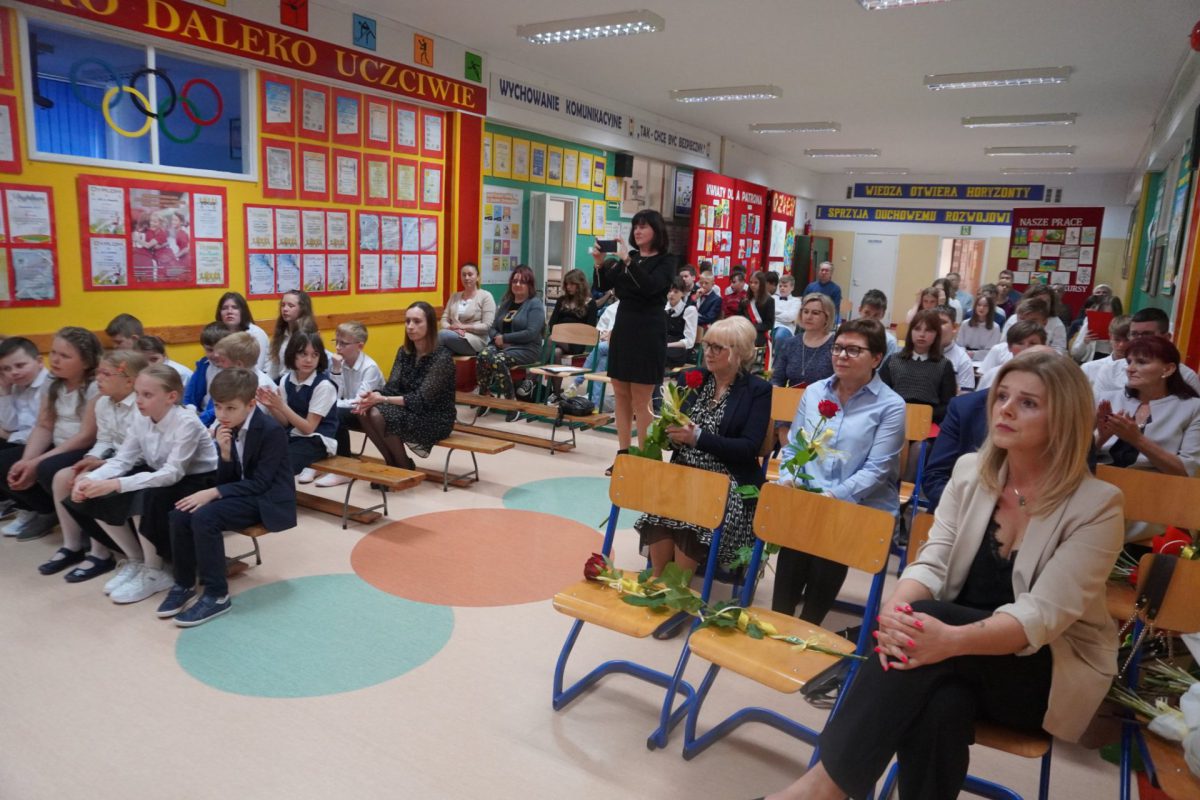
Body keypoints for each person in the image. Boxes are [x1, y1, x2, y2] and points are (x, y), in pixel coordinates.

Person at [769, 351, 1124, 800]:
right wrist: (894, 611)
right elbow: (933, 559)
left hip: (1041, 668)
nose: (1005, 410)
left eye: (1028, 403)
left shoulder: (1097, 505)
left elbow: (1041, 616)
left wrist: (947, 639)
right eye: (1002, 396)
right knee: (941, 702)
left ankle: (819, 789)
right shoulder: (972, 471)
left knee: (927, 625)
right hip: (948, 655)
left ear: (1065, 419)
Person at [772, 318, 905, 624]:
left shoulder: (890, 405)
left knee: (829, 536)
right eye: (838, 348)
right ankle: (779, 620)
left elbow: (876, 470)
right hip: (809, 496)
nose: (842, 355)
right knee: (794, 538)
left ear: (876, 358)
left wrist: (831, 498)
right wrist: (789, 480)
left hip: (857, 504)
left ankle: (808, 625)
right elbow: (794, 447)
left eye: (853, 350)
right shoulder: (815, 392)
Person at [66, 365, 217, 605]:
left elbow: (173, 473)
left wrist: (116, 484)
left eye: (147, 395)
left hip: (198, 480)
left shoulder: (186, 422)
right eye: (137, 393)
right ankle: (135, 559)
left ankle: (155, 570)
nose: (139, 400)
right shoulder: (141, 417)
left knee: (144, 497)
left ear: (171, 397)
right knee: (95, 493)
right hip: (162, 474)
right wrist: (90, 479)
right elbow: (123, 460)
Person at [633, 317, 770, 575]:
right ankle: (660, 581)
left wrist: (698, 438)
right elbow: (672, 434)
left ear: (739, 352)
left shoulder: (758, 390)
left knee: (694, 513)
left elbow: (748, 449)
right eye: (707, 345)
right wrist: (671, 436)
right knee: (661, 506)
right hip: (684, 471)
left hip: (728, 480)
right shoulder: (692, 378)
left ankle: (678, 587)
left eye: (717, 347)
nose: (708, 352)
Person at [161, 368, 297, 627]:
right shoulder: (228, 427)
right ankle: (184, 583)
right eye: (218, 407)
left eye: (230, 408)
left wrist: (213, 493)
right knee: (179, 513)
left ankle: (217, 595)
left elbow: (260, 483)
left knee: (205, 517)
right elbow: (228, 480)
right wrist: (224, 455)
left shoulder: (270, 431)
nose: (222, 414)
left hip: (268, 499)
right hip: (243, 492)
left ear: (251, 404)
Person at [40, 350, 147, 580]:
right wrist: (91, 458)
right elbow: (105, 440)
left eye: (106, 374)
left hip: (138, 462)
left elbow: (141, 452)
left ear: (129, 381)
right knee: (62, 478)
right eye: (98, 372)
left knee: (88, 485)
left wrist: (101, 465)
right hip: (115, 459)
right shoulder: (103, 403)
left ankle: (103, 552)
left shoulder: (141, 406)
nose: (98, 378)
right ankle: (72, 545)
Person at [593, 209, 676, 474]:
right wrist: (599, 263)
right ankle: (623, 453)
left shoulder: (666, 261)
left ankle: (645, 456)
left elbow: (650, 287)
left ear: (656, 231)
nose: (638, 231)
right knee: (620, 392)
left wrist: (628, 261)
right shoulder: (632, 258)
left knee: (641, 398)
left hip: (648, 329)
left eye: (644, 226)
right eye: (636, 226)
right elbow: (605, 285)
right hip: (625, 327)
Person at [1095, 336, 1200, 543]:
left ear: (1168, 369)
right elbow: (1077, 458)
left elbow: (1186, 472)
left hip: (1154, 499)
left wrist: (1138, 440)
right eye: (1129, 362)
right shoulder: (1107, 398)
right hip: (1100, 489)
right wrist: (1100, 438)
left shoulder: (1192, 408)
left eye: (1141, 362)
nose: (1130, 369)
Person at [0, 327, 101, 540]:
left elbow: (86, 436)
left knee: (46, 468)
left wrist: (36, 462)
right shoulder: (52, 380)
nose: (54, 359)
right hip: (59, 442)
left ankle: (82, 525)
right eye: (54, 352)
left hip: (85, 447)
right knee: (9, 464)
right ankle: (46, 510)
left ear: (85, 362)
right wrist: (26, 461)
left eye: (64, 355)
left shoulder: (94, 386)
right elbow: (44, 425)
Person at [357, 302, 456, 470]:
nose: (410, 326)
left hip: (434, 417)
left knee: (377, 414)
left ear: (430, 325)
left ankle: (403, 466)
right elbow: (392, 387)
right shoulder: (404, 352)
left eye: (417, 321)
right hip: (409, 409)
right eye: (407, 321)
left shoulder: (442, 358)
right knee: (364, 410)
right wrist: (374, 395)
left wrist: (382, 399)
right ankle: (392, 464)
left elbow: (421, 400)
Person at [256, 331, 338, 478]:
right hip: (294, 435)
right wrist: (272, 406)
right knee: (260, 455)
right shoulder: (286, 380)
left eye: (315, 355)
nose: (309, 360)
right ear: (292, 354)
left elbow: (309, 428)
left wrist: (281, 406)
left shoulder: (324, 386)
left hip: (317, 440)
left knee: (279, 467)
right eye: (303, 354)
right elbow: (285, 422)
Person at [476, 265, 546, 419]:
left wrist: (506, 338)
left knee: (498, 360)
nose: (517, 284)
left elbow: (531, 332)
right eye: (515, 281)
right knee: (483, 356)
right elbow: (492, 327)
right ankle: (485, 397)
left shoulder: (535, 304)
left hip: (527, 348)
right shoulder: (506, 303)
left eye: (522, 282)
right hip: (501, 345)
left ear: (529, 285)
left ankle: (511, 403)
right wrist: (498, 338)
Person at [771, 293, 836, 445]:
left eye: (815, 313)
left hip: (824, 411)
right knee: (784, 425)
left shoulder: (835, 345)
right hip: (792, 408)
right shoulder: (791, 343)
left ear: (827, 317)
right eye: (805, 311)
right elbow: (777, 378)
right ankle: (788, 455)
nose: (808, 316)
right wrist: (777, 391)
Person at [325, 321, 384, 481]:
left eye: (343, 344)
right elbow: (334, 394)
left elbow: (359, 402)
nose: (338, 348)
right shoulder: (339, 363)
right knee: (325, 411)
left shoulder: (369, 368)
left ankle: (344, 468)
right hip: (348, 409)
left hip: (368, 414)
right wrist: (336, 370)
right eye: (336, 342)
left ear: (360, 346)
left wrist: (330, 404)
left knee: (334, 414)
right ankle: (325, 458)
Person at [879, 309, 957, 423]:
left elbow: (947, 404)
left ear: (936, 334)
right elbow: (881, 396)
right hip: (894, 419)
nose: (922, 334)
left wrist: (920, 416)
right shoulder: (893, 361)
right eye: (917, 329)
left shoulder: (944, 365)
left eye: (928, 330)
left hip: (929, 422)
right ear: (910, 332)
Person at [1127, 307, 1200, 394]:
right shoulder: (1113, 369)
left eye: (1147, 334)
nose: (1139, 340)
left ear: (1166, 337)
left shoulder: (1186, 376)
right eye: (1134, 334)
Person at [0, 337, 50, 452]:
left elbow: (44, 432)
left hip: (42, 445)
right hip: (20, 441)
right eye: (6, 369)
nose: (14, 372)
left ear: (39, 362)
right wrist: (6, 392)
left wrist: (8, 436)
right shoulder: (16, 385)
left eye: (20, 365)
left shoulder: (49, 386)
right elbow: (10, 426)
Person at [438, 262, 496, 356]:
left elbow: (487, 326)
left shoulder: (486, 296)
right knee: (441, 352)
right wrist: (451, 328)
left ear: (477, 277)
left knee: (442, 335)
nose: (466, 278)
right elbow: (444, 319)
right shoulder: (454, 296)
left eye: (470, 274)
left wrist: (463, 327)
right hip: (453, 335)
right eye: (464, 275)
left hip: (475, 340)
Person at [977, 321, 1048, 390]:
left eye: (1033, 343)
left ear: (1043, 346)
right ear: (1009, 347)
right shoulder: (992, 375)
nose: (1026, 348)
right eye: (1020, 343)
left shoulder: (1049, 377)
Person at [183, 323, 233, 417]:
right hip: (198, 414)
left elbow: (221, 407)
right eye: (210, 350)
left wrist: (200, 419)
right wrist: (187, 412)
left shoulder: (232, 371)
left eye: (219, 349)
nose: (215, 355)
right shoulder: (203, 364)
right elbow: (189, 395)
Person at [214, 291, 271, 374]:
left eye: (235, 307)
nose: (229, 311)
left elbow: (255, 367)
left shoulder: (256, 334)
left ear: (243, 311)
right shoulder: (219, 333)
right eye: (224, 308)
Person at [268, 290, 318, 380]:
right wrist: (267, 383)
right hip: (280, 380)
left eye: (291, 306)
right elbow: (274, 366)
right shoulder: (282, 332)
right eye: (283, 305)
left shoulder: (307, 335)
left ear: (302, 309)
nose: (285, 309)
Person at [1002, 288, 1067, 352]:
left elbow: (1059, 348)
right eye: (1039, 300)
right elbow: (1004, 343)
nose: (1043, 304)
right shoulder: (1014, 318)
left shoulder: (1057, 322)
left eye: (1047, 301)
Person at [1080, 315, 1132, 394]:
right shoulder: (1088, 368)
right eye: (1117, 340)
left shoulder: (1140, 372)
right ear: (1110, 337)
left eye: (1127, 340)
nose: (1121, 345)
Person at [1069, 293, 1124, 363]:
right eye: (1102, 315)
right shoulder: (1089, 324)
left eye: (1110, 316)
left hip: (1112, 361)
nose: (1105, 319)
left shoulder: (1123, 326)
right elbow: (1075, 354)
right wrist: (1084, 342)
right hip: (1090, 361)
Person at [936, 306, 976, 392]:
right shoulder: (920, 353)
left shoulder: (963, 361)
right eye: (933, 323)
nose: (936, 327)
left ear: (954, 327)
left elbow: (965, 397)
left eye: (942, 322)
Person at [665, 277, 699, 368]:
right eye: (669, 291)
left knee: (657, 355)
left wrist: (667, 345)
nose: (671, 294)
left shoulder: (689, 310)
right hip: (663, 345)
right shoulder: (663, 308)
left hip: (679, 349)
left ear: (683, 293)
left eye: (676, 292)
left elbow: (689, 342)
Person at [857, 289, 899, 362]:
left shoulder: (890, 342)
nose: (870, 319)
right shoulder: (849, 335)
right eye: (867, 313)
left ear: (883, 315)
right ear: (860, 310)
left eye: (876, 315)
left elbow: (889, 367)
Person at [957, 294, 1004, 358]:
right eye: (979, 305)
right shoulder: (965, 324)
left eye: (985, 306)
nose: (981, 308)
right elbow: (959, 345)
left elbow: (991, 351)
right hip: (964, 356)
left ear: (990, 308)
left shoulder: (995, 328)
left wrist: (973, 354)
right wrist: (964, 354)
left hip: (984, 359)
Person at [740, 271, 775, 348]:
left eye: (756, 283)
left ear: (761, 284)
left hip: (760, 331)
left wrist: (753, 327)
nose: (752, 285)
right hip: (745, 329)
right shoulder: (744, 299)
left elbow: (769, 324)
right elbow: (740, 316)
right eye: (751, 282)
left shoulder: (769, 300)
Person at [771, 274, 801, 350]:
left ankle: (777, 357)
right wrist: (784, 313)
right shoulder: (773, 298)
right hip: (771, 326)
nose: (782, 288)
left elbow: (790, 317)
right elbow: (768, 313)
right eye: (780, 286)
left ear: (792, 287)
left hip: (786, 328)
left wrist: (774, 314)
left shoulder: (796, 301)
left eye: (785, 286)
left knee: (780, 336)